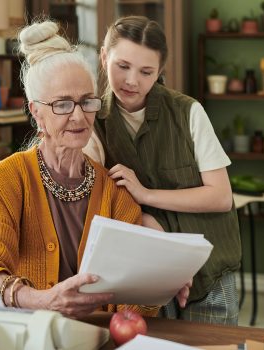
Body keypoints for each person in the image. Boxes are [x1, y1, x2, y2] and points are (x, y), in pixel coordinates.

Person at [0, 20, 189, 319]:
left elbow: (131, 308)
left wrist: (157, 282)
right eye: (63, 105)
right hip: (27, 334)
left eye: (86, 102)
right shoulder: (6, 179)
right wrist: (41, 299)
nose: (79, 116)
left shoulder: (116, 191)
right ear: (36, 111)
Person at [84, 16, 242, 325]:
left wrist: (146, 195)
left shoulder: (187, 112)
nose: (132, 81)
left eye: (146, 72)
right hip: (144, 274)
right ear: (104, 57)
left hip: (208, 274)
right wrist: (142, 215)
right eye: (123, 66)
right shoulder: (93, 123)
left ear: (160, 72)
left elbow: (221, 196)